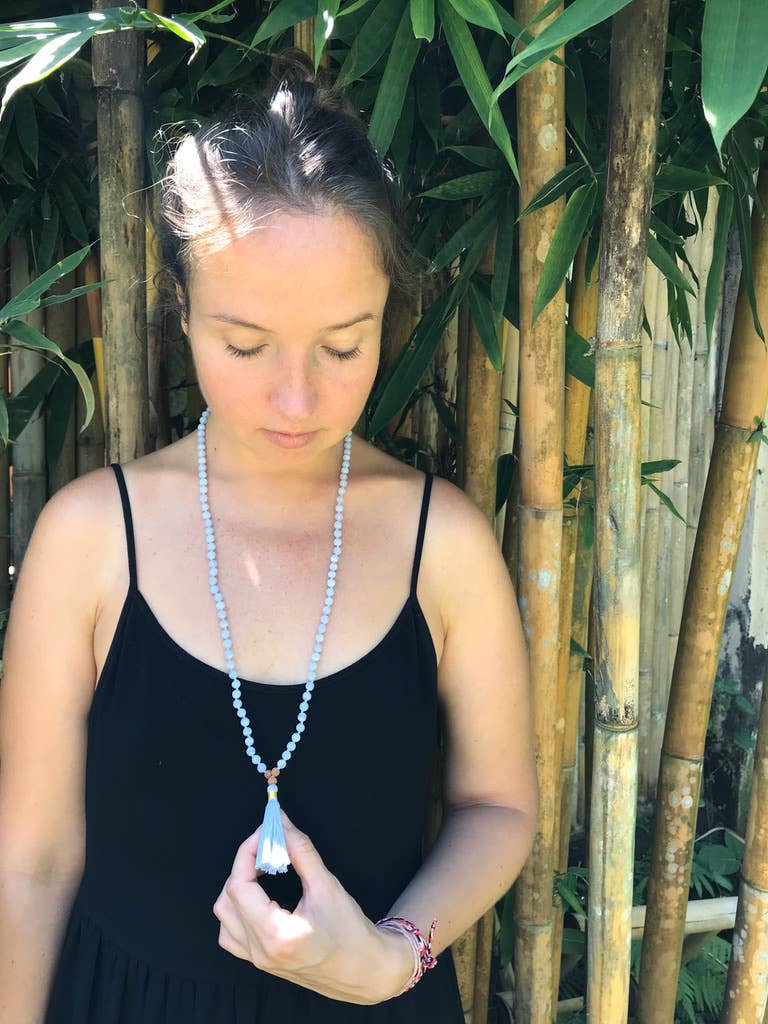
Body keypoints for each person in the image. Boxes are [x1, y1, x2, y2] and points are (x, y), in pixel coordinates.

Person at [0, 49, 537, 1023]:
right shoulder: (89, 540)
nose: (298, 398)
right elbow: (31, 863)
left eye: (344, 345)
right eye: (245, 345)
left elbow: (498, 808)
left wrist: (392, 954)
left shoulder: (444, 546)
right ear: (182, 309)